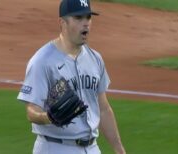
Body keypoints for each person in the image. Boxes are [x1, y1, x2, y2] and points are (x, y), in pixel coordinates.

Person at [17, 0, 126, 153]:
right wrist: (48, 117)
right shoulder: (42, 61)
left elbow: (103, 108)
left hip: (92, 148)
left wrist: (119, 149)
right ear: (62, 23)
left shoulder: (95, 59)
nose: (86, 23)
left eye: (88, 17)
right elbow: (31, 111)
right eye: (78, 18)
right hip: (56, 147)